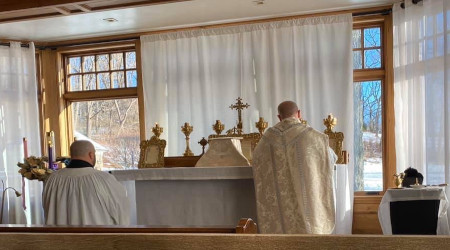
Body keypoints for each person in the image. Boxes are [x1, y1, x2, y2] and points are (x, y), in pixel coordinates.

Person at [252, 101, 337, 234]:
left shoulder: (267, 138)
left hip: (280, 216)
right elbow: (331, 158)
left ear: (279, 117)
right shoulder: (311, 135)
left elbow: (256, 159)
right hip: (306, 208)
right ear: (299, 113)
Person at [43, 140, 130, 226]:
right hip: (95, 239)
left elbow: (47, 209)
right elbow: (121, 212)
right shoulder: (105, 180)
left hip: (59, 238)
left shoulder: (51, 179)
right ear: (91, 155)